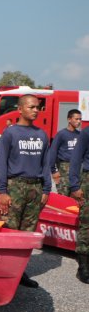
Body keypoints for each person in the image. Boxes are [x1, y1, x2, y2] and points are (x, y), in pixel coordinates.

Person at [0, 94, 50, 288]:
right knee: (9, 230)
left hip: (35, 188)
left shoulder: (41, 134)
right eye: (32, 107)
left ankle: (19, 272)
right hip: (15, 187)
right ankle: (3, 272)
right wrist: (2, 191)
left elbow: (45, 163)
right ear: (20, 109)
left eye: (37, 107)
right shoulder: (10, 133)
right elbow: (1, 163)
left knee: (27, 234)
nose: (36, 110)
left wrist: (46, 188)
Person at [69, 118, 89, 284]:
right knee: (86, 223)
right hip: (88, 180)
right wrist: (75, 186)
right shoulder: (86, 132)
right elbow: (76, 159)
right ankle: (83, 266)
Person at [49, 109, 82, 196]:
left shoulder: (80, 135)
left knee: (76, 197)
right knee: (63, 196)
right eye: (76, 119)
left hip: (78, 169)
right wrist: (54, 171)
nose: (79, 121)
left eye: (80, 119)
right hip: (65, 168)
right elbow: (52, 152)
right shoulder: (61, 134)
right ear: (69, 119)